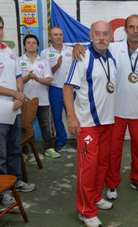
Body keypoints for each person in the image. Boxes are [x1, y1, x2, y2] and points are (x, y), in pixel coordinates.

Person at [63, 20, 116, 227]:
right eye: (97, 33)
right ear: (91, 35)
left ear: (110, 36)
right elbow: (68, 88)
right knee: (88, 169)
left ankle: (94, 197)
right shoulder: (82, 56)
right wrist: (72, 116)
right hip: (87, 124)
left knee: (101, 165)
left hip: (107, 122)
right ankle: (85, 211)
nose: (101, 37)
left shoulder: (111, 57)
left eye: (105, 34)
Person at [104, 14, 138, 198]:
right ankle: (111, 184)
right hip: (115, 111)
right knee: (114, 150)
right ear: (125, 29)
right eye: (132, 27)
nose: (135, 31)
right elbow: (93, 47)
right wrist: (78, 46)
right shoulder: (112, 47)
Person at [0, 16, 35, 209]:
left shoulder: (9, 51)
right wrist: (15, 93)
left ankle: (16, 183)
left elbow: (18, 76)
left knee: (14, 150)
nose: (0, 31)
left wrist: (18, 95)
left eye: (1, 27)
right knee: (1, 156)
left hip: (14, 110)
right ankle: (3, 193)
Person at [17, 34, 56, 157]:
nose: (31, 45)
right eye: (28, 43)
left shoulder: (44, 62)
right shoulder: (18, 61)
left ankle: (49, 148)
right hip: (24, 100)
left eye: (34, 43)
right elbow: (16, 81)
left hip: (42, 100)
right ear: (24, 46)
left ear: (37, 46)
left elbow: (49, 81)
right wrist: (27, 78)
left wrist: (37, 78)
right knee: (24, 125)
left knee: (44, 124)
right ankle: (24, 152)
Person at [41, 26, 73, 153]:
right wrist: (57, 66)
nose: (59, 37)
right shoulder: (45, 53)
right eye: (55, 34)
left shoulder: (70, 50)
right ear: (50, 37)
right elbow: (46, 73)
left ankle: (82, 141)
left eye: (60, 34)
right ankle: (61, 142)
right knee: (57, 118)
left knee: (75, 115)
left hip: (70, 89)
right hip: (55, 89)